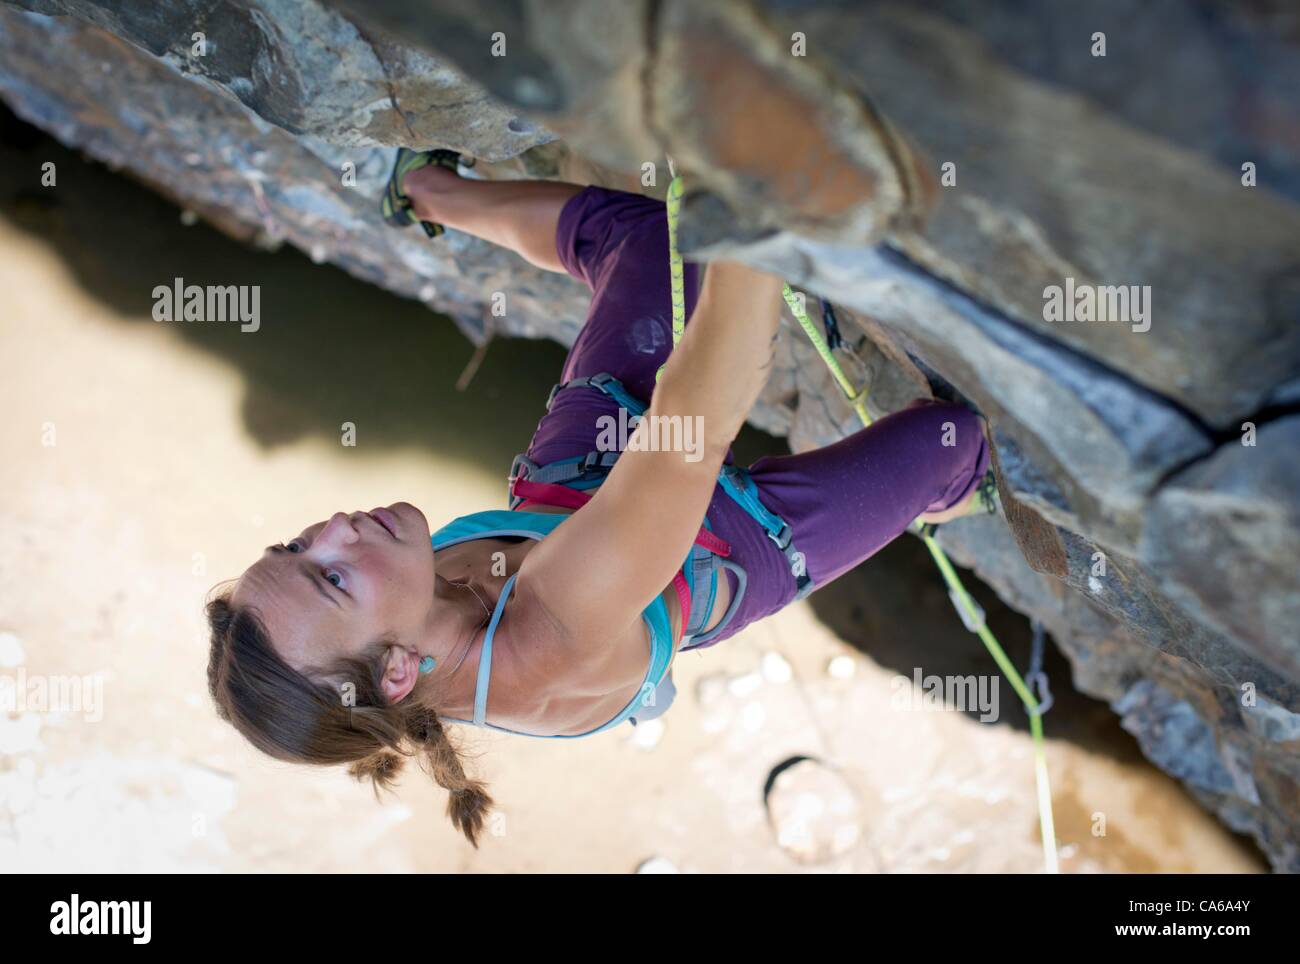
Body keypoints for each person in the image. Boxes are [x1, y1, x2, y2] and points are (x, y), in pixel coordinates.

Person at [206, 149, 991, 847]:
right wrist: (754, 203)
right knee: (952, 442)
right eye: (332, 577)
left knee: (652, 244)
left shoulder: (402, 601)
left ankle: (429, 192)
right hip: (718, 559)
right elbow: (693, 426)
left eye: (294, 547)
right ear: (402, 671)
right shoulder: (550, 638)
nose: (334, 530)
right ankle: (946, 499)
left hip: (568, 492)